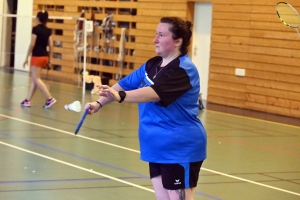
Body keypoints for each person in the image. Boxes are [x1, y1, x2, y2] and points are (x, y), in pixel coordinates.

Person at [85, 17, 207, 200]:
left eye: (161, 35)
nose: (155, 39)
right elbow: (125, 84)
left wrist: (121, 97)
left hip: (179, 148)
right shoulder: (153, 64)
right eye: (155, 34)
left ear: (178, 41)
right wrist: (99, 103)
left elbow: (153, 92)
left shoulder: (184, 70)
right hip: (155, 145)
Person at [21, 10, 56, 109]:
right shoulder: (48, 31)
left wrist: (26, 57)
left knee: (36, 79)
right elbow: (51, 45)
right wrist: (50, 59)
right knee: (34, 80)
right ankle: (27, 100)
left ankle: (49, 98)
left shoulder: (35, 29)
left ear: (38, 19)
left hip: (36, 57)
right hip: (45, 57)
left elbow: (32, 44)